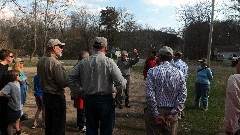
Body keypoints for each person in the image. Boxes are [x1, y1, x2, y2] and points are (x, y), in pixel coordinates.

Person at [68, 37, 126, 135]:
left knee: (91, 130)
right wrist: (118, 98)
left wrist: (78, 92)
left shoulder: (84, 62)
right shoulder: (109, 62)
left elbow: (70, 77)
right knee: (106, 130)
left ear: (93, 47)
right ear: (105, 48)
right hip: (105, 100)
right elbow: (121, 83)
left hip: (89, 99)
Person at [145, 46, 187, 135]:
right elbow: (183, 95)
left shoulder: (152, 72)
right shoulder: (179, 73)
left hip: (156, 110)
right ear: (172, 57)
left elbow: (150, 95)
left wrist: (156, 114)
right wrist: (173, 113)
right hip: (172, 110)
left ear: (159, 57)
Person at [37, 38, 69, 135]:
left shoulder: (41, 61)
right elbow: (62, 82)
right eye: (60, 47)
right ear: (54, 47)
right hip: (56, 98)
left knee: (49, 124)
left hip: (46, 96)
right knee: (58, 126)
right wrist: (70, 77)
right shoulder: (55, 63)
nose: (62, 49)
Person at [0, 70, 22, 135]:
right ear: (14, 77)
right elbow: (1, 93)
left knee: (17, 120)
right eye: (19, 75)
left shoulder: (16, 83)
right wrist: (7, 96)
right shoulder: (10, 85)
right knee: (11, 124)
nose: (20, 76)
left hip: (18, 107)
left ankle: (18, 132)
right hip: (13, 108)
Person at [72, 51, 89, 132]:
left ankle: (81, 124)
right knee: (82, 109)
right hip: (80, 91)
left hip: (81, 91)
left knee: (82, 109)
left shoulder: (79, 66)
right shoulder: (79, 66)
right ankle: (82, 125)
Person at [224, 58, 240, 135]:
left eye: (238, 62)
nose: (236, 65)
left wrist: (230, 127)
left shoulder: (234, 79)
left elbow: (231, 107)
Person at [0, 49, 14, 135]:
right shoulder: (1, 69)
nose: (13, 58)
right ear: (6, 57)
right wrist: (5, 95)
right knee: (3, 121)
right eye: (11, 56)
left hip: (5, 98)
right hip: (2, 98)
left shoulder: (6, 67)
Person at [172, 51, 188, 119]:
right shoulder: (184, 64)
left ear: (177, 56)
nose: (173, 56)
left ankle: (178, 113)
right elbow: (186, 74)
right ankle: (181, 111)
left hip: (176, 82)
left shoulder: (176, 64)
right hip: (183, 82)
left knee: (176, 98)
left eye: (174, 55)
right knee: (181, 97)